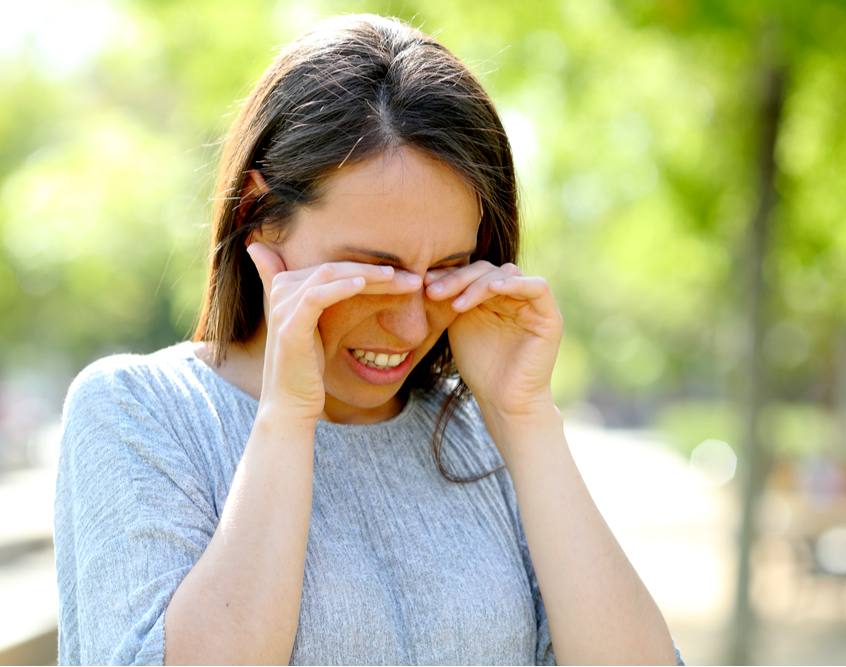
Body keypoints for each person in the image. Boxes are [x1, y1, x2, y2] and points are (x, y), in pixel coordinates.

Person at [54, 14, 681, 665]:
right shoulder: (139, 412)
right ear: (259, 216)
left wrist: (525, 419)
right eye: (372, 273)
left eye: (444, 270)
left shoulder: (480, 437)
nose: (410, 326)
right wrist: (287, 418)